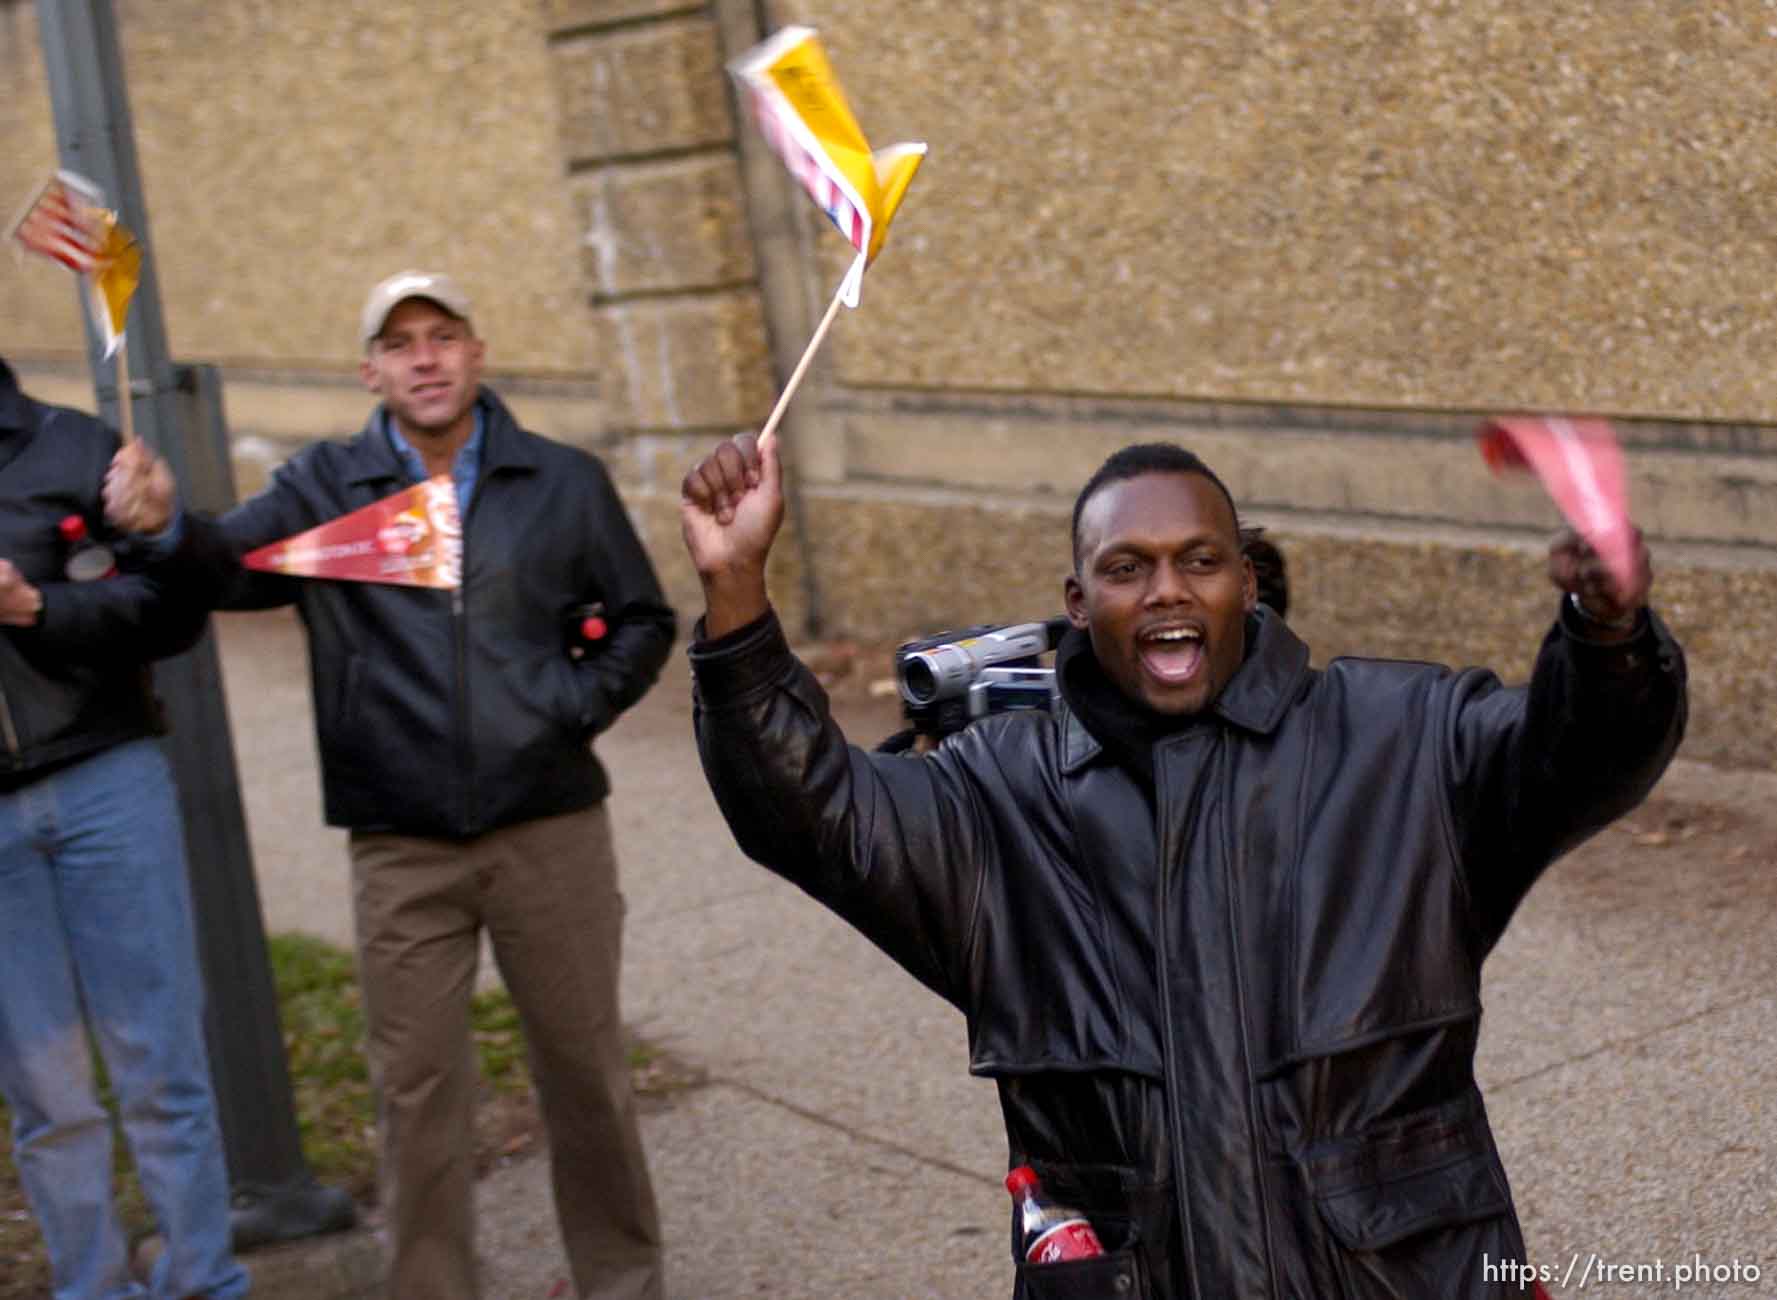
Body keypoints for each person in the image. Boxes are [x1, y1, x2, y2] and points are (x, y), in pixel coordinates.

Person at [679, 433, 1686, 1298]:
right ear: (1079, 600)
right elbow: (810, 814)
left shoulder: (1403, 742)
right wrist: (734, 593)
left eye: (1200, 560)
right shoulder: (996, 799)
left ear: (1246, 584)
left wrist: (1605, 636)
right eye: (1128, 567)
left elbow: (1579, 754)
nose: (1167, 588)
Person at [102, 273, 675, 1300]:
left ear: (476, 351)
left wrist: (566, 704)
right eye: (399, 342)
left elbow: (641, 618)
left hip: (549, 827)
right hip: (401, 842)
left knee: (587, 1076)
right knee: (417, 1095)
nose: (424, 357)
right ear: (370, 369)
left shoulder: (563, 480)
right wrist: (163, 527)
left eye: (442, 335)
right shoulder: (326, 484)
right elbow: (228, 567)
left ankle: (625, 1280)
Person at [0, 357, 251, 1300]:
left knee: (161, 1071)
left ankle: (201, 1283)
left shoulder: (72, 447)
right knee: (50, 1101)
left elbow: (172, 611)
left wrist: (37, 608)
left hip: (108, 779)